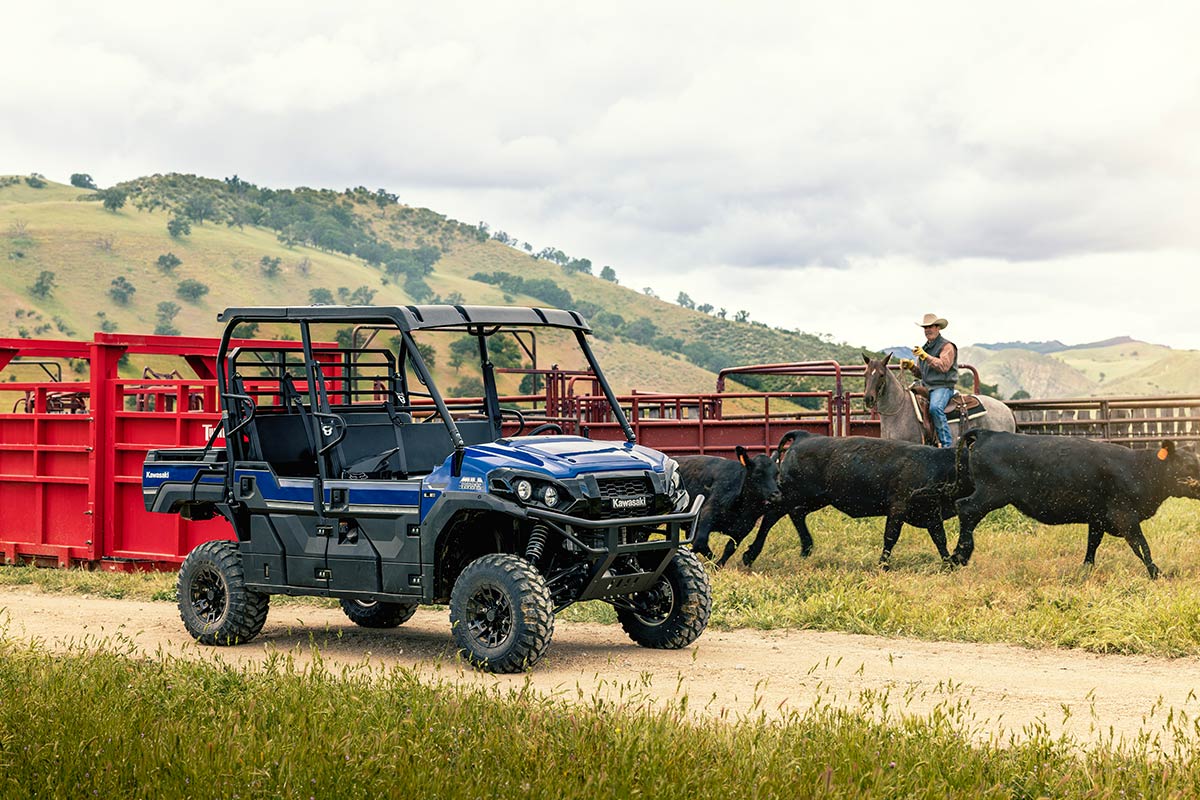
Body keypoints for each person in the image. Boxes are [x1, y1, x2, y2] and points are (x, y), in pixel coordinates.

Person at [898, 313, 958, 448]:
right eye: (925, 327)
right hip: (927, 386)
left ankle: (947, 444)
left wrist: (926, 356)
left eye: (930, 326)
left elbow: (944, 366)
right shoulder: (925, 348)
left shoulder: (947, 346)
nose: (927, 330)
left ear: (938, 328)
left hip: (942, 387)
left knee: (936, 408)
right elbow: (922, 374)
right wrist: (912, 367)